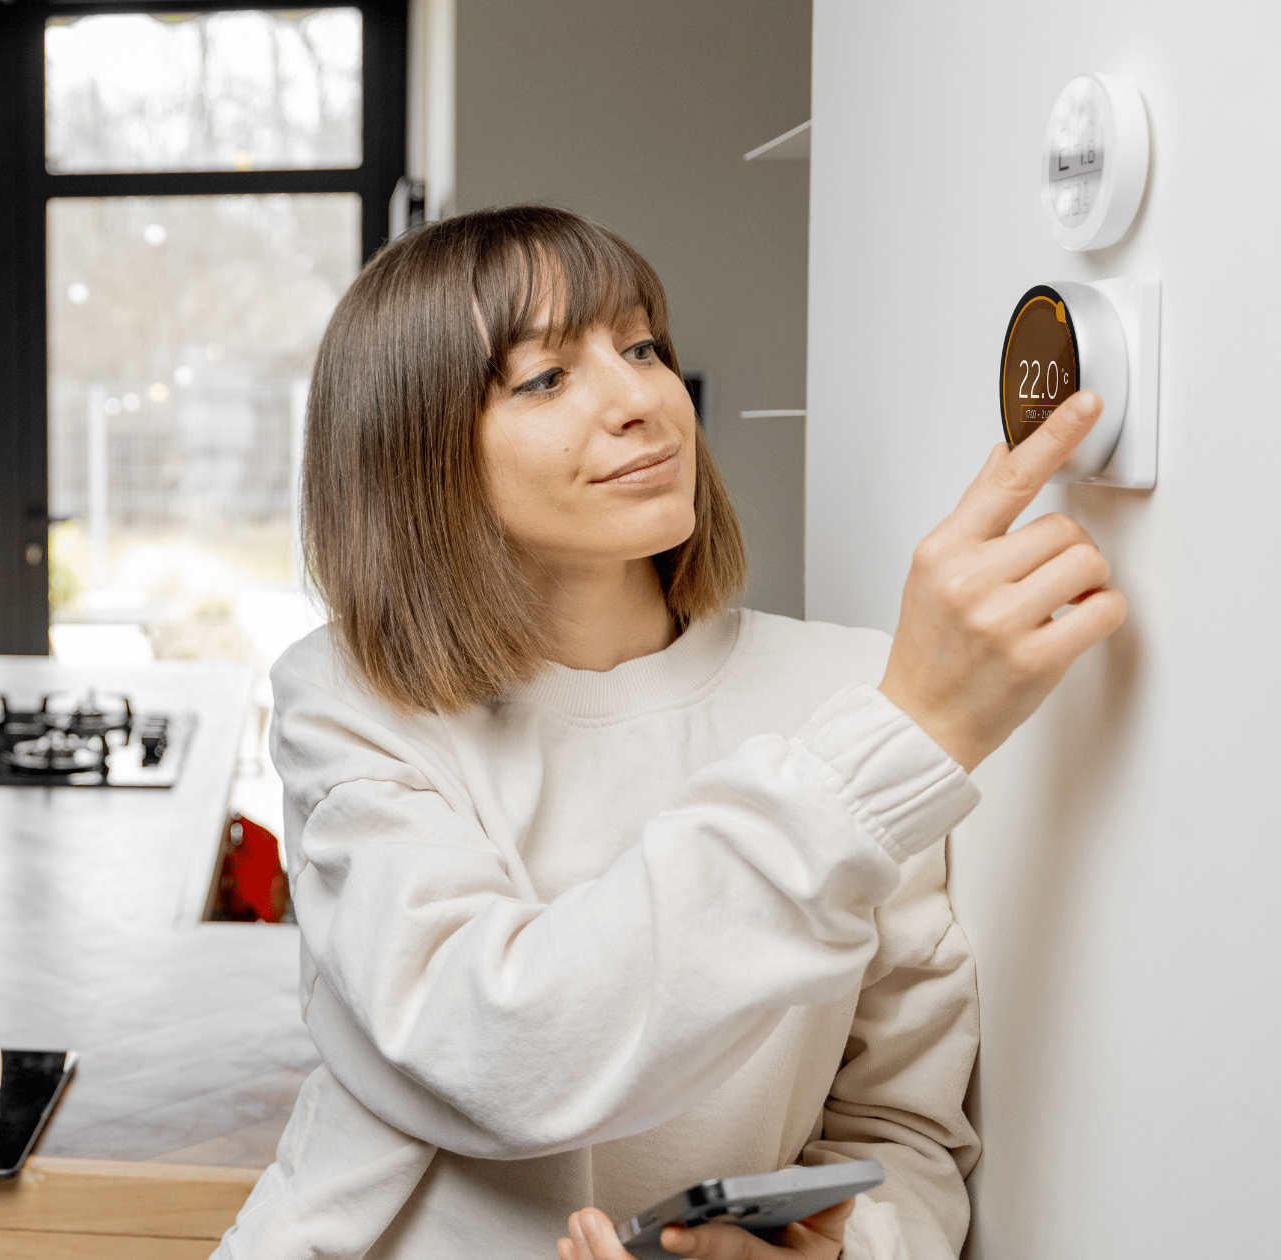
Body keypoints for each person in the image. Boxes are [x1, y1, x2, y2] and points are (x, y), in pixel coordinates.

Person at [214, 205, 1124, 1260]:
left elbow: (899, 1129)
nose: (640, 399)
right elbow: (506, 1050)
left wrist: (824, 1255)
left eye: (640, 345)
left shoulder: (854, 689)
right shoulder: (353, 701)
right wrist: (900, 739)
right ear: (416, 455)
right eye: (544, 378)